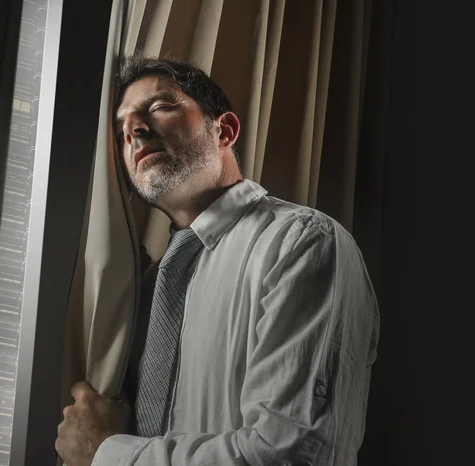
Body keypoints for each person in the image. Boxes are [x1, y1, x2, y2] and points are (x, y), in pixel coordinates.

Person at [55, 54, 380, 466]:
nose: (135, 130)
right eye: (122, 129)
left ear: (223, 130)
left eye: (159, 107)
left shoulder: (303, 244)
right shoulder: (142, 287)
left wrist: (108, 454)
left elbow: (290, 455)